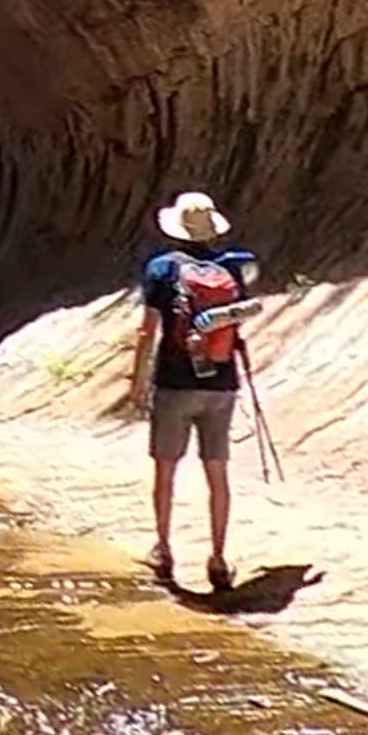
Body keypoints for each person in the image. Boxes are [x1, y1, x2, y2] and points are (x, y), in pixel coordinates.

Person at [129, 188, 260, 598]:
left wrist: (136, 382)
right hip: (222, 384)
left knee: (166, 470)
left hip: (174, 383)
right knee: (217, 472)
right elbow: (234, 322)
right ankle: (218, 559)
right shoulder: (231, 269)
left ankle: (164, 550)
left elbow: (148, 331)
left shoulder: (162, 269)